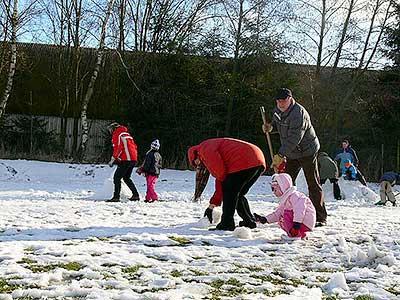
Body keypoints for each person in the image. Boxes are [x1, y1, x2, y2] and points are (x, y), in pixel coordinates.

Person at [262, 88, 327, 227]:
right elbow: (277, 124)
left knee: (312, 182)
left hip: (307, 151)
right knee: (285, 184)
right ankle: (287, 211)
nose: (281, 104)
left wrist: (280, 155)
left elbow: (294, 138)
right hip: (292, 152)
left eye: (283, 101)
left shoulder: (298, 114)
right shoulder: (277, 111)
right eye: (278, 101)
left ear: (290, 99)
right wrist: (270, 127)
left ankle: (320, 217)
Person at [188, 138, 266, 231]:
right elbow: (221, 178)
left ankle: (227, 224)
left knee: (230, 193)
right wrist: (211, 206)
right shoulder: (208, 146)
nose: (198, 165)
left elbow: (220, 175)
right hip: (258, 160)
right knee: (238, 193)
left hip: (244, 160)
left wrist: (211, 206)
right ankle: (249, 221)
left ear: (195, 155)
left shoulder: (204, 150)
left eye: (195, 163)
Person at [253, 173, 316, 239]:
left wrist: (296, 225)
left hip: (304, 221)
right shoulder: (285, 199)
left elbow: (299, 210)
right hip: (299, 222)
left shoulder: (295, 196)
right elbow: (277, 213)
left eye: (274, 189)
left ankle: (294, 235)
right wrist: (265, 219)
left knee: (286, 215)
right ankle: (300, 234)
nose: (273, 192)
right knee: (282, 216)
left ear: (282, 187)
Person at [106, 122, 140, 202]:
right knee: (126, 178)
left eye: (111, 130)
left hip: (126, 159)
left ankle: (116, 197)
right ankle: (135, 195)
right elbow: (134, 146)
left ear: (114, 129)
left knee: (117, 178)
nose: (111, 132)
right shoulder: (127, 134)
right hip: (133, 158)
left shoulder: (117, 134)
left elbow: (118, 147)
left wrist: (113, 159)